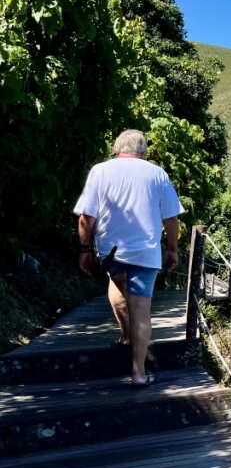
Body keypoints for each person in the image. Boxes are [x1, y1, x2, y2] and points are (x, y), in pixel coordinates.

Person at [74, 129, 184, 387]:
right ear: (143, 152)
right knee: (141, 311)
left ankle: (125, 335)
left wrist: (84, 251)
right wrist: (172, 249)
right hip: (146, 254)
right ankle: (138, 373)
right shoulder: (157, 173)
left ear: (116, 148)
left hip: (111, 253)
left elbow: (85, 218)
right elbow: (171, 218)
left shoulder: (100, 171)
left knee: (117, 282)